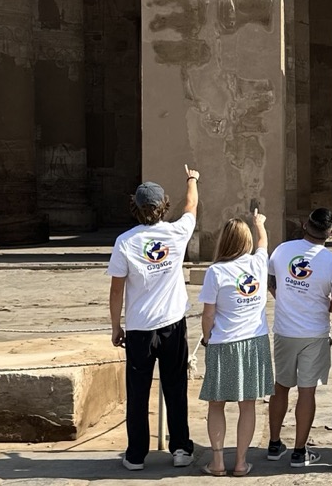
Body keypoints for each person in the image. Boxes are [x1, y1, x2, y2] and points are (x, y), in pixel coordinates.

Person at [108, 165, 199, 471]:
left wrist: (115, 325)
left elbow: (116, 290)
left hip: (139, 327)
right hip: (172, 323)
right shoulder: (177, 231)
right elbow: (192, 205)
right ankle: (181, 448)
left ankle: (136, 454)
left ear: (134, 208)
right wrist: (192, 179)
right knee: (175, 388)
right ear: (163, 207)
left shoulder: (125, 242)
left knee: (138, 391)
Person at [198, 209, 272, 477]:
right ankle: (241, 462)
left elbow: (208, 313)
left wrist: (207, 337)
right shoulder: (257, 264)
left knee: (216, 404)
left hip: (224, 342)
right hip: (253, 342)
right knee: (247, 404)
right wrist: (259, 223)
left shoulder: (215, 272)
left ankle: (217, 461)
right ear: (246, 242)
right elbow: (263, 243)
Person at [265, 208, 332, 468]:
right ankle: (299, 450)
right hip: (314, 333)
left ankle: (274, 443)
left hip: (285, 329)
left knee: (281, 386)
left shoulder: (283, 250)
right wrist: (325, 307)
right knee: (307, 392)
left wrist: (283, 297)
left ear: (305, 224)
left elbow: (270, 280)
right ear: (330, 232)